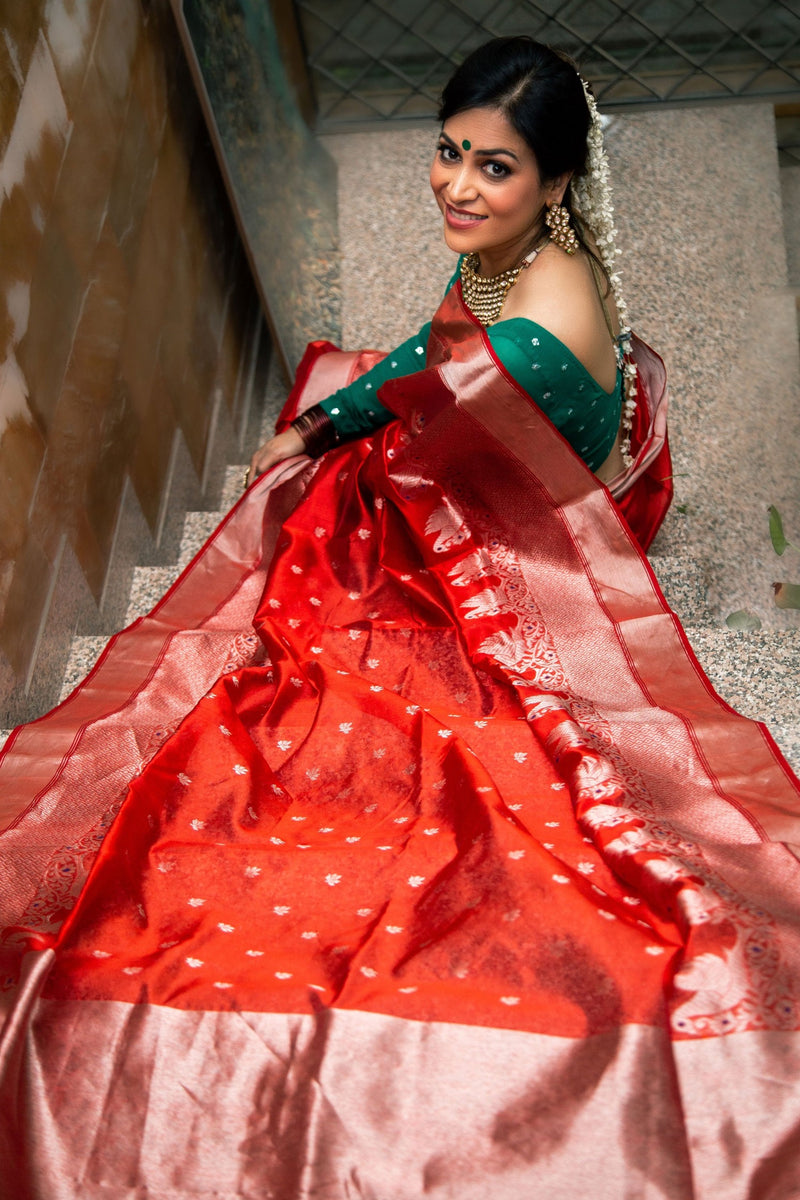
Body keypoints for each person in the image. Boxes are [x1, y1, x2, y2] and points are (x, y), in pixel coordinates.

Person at [1, 36, 799, 1200]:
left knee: (331, 651)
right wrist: (326, 425)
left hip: (504, 518)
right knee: (325, 470)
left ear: (556, 185)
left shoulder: (525, 336)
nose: (456, 188)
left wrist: (337, 443)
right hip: (500, 443)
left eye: (495, 169)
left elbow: (444, 379)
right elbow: (429, 351)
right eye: (448, 152)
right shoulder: (532, 258)